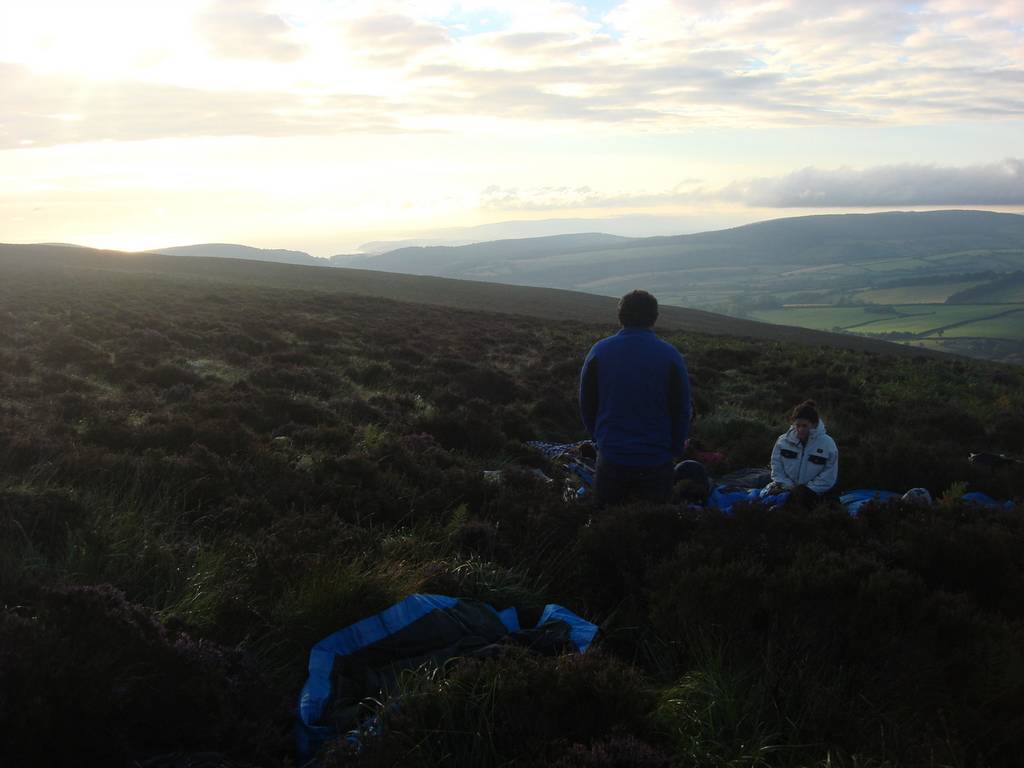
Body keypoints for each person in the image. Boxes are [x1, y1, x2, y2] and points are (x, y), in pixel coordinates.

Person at [579, 290, 691, 506]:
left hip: (612, 455)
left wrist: (599, 438)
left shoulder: (600, 351)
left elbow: (587, 403)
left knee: (607, 524)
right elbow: (681, 409)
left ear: (621, 316)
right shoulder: (669, 355)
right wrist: (675, 448)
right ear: (654, 317)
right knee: (652, 528)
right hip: (656, 459)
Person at [765, 400, 838, 508]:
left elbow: (829, 474)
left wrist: (807, 490)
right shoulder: (783, 441)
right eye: (797, 425)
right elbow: (776, 466)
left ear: (814, 424)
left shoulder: (828, 444)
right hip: (785, 490)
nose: (800, 429)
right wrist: (788, 486)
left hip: (814, 494)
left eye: (804, 426)